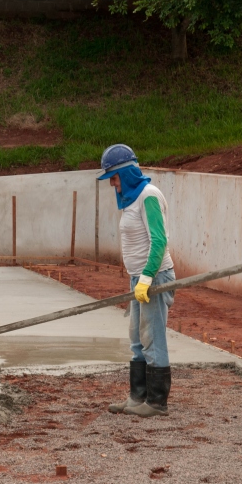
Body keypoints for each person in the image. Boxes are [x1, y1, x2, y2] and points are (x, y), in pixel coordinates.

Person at [99, 144, 175, 417]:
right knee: (136, 339)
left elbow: (159, 241)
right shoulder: (131, 199)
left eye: (114, 178)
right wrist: (138, 279)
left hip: (154, 278)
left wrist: (147, 278)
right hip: (139, 280)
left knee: (152, 337)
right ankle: (137, 396)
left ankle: (156, 402)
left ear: (126, 173)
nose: (112, 184)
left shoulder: (148, 196)